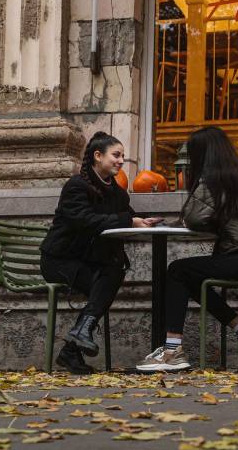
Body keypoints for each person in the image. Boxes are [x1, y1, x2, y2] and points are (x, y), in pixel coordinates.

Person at [136, 126, 238, 373]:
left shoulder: (215, 177)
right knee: (188, 277)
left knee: (177, 271)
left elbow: (193, 218)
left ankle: (172, 351)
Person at [40, 132, 160, 374]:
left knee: (113, 272)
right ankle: (76, 343)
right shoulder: (76, 186)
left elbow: (124, 218)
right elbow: (86, 221)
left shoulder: (116, 192)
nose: (121, 161)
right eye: (116, 155)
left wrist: (142, 222)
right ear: (97, 156)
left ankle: (73, 348)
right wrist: (130, 220)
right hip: (60, 261)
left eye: (123, 156)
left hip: (88, 261)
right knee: (107, 279)